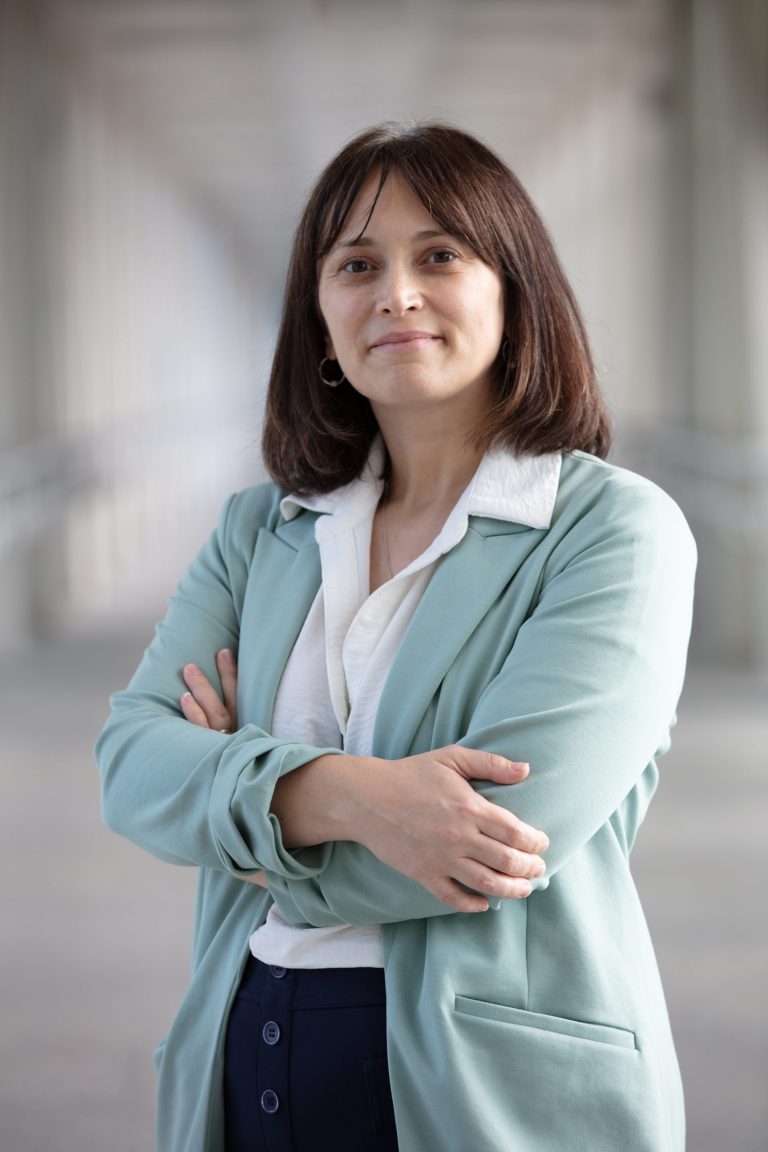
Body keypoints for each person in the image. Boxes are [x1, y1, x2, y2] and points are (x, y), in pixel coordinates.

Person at [95, 122, 696, 1152]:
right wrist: (353, 799)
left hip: (491, 1092)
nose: (397, 294)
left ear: (515, 287)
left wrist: (234, 804)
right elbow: (131, 767)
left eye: (441, 256)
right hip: (250, 1060)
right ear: (319, 312)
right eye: (357, 264)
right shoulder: (263, 532)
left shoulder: (610, 531)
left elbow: (501, 840)